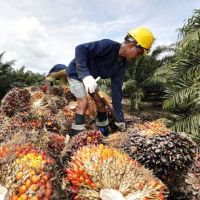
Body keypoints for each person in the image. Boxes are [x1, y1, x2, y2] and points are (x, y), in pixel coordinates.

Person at [67, 27, 155, 136]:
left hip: (90, 79)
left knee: (100, 102)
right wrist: (85, 76)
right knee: (83, 102)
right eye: (139, 53)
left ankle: (103, 132)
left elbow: (116, 92)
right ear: (133, 46)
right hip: (76, 72)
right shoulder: (108, 46)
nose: (138, 57)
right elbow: (80, 49)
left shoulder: (122, 65)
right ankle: (76, 135)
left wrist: (120, 118)